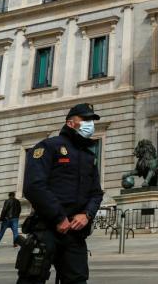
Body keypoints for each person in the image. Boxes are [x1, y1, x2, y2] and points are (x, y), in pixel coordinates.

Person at [17, 103, 104, 284]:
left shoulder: (89, 156)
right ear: (70, 123)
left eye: (92, 120)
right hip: (47, 228)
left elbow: (96, 193)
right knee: (33, 277)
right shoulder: (49, 146)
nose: (90, 124)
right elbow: (34, 186)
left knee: (77, 279)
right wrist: (58, 217)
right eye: (85, 119)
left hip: (75, 233)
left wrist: (87, 214)